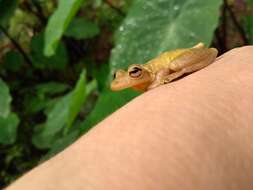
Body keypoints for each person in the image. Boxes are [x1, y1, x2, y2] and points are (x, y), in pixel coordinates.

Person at [6, 46, 253, 190]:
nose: (126, 78)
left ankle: (185, 67)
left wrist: (167, 76)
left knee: (175, 66)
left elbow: (163, 69)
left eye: (134, 73)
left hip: (183, 59)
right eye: (124, 74)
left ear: (142, 71)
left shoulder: (154, 71)